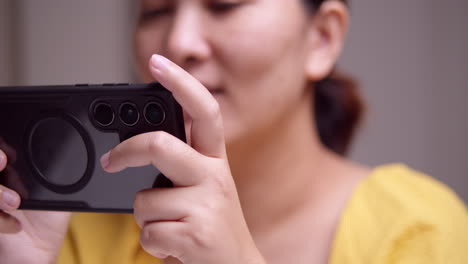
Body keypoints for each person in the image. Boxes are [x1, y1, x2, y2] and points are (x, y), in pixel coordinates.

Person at [0, 0, 467, 263]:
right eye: (154, 11)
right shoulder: (85, 233)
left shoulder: (420, 234)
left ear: (321, 38)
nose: (180, 41)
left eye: (225, 5)